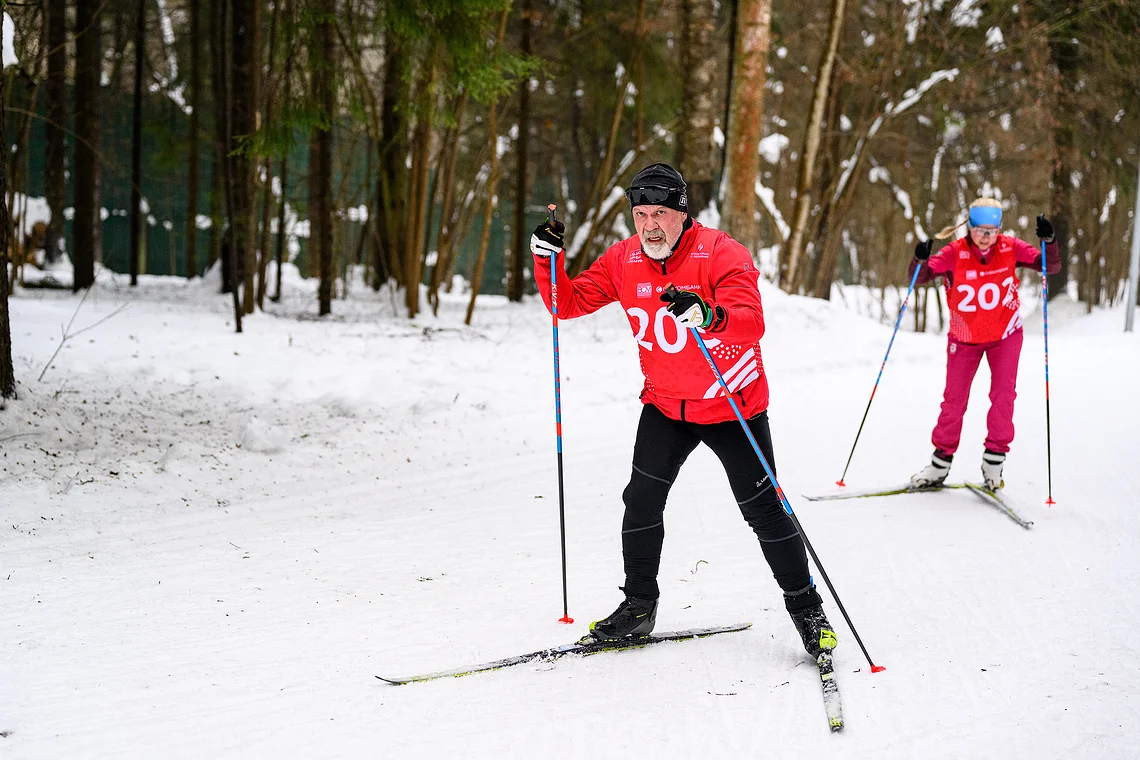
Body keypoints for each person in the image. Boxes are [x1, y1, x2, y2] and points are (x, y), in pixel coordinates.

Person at [529, 162, 836, 662]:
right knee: (641, 500)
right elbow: (568, 303)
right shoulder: (624, 259)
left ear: (682, 214)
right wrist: (547, 261)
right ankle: (639, 607)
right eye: (640, 214)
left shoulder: (720, 252)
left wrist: (709, 313)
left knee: (762, 511)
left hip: (732, 405)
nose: (649, 225)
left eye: (660, 214)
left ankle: (807, 611)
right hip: (667, 405)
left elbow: (750, 323)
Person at [908, 197, 1060, 491]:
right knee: (954, 401)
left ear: (1000, 229)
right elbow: (920, 278)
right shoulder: (955, 252)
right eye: (980, 231)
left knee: (1003, 397)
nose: (986, 238)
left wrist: (1049, 241)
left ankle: (994, 464)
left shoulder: (1010, 247)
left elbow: (1048, 266)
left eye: (992, 231)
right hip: (964, 338)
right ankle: (939, 465)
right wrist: (919, 258)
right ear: (969, 228)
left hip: (1005, 335)